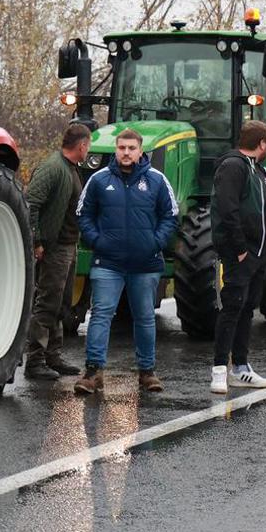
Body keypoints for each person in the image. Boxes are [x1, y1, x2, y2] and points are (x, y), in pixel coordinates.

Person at [73, 129, 177, 395]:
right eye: (122, 148)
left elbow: (170, 215)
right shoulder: (99, 180)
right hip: (108, 262)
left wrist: (154, 242)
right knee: (100, 315)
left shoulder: (157, 180)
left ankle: (147, 372)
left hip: (145, 263)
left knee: (144, 317)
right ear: (116, 150)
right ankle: (93, 372)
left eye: (131, 148)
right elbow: (83, 214)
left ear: (140, 151)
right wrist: (98, 241)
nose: (126, 153)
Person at [209, 119, 266, 395]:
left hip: (259, 254)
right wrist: (241, 248)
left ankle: (241, 368)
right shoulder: (233, 167)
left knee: (247, 309)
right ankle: (220, 370)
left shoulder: (260, 171)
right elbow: (227, 209)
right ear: (262, 143)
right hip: (241, 253)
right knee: (231, 307)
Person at [22, 123, 92, 379]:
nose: (88, 150)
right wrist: (37, 242)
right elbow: (31, 205)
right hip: (54, 248)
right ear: (82, 145)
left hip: (68, 246)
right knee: (47, 303)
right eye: (89, 145)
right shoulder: (53, 168)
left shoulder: (70, 168)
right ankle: (35, 360)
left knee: (61, 303)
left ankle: (53, 355)